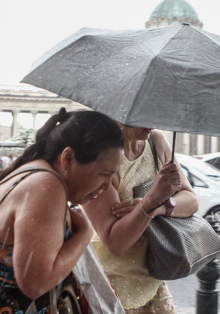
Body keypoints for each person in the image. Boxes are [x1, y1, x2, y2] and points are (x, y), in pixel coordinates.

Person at [0, 108, 124, 314]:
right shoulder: (46, 186)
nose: (107, 186)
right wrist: (84, 233)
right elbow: (36, 284)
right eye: (104, 174)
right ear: (68, 158)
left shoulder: (33, 172)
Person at [84, 127, 198, 313]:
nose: (151, 123)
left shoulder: (155, 140)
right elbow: (116, 243)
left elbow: (191, 200)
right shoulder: (101, 155)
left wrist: (160, 207)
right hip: (113, 286)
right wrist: (149, 202)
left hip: (152, 276)